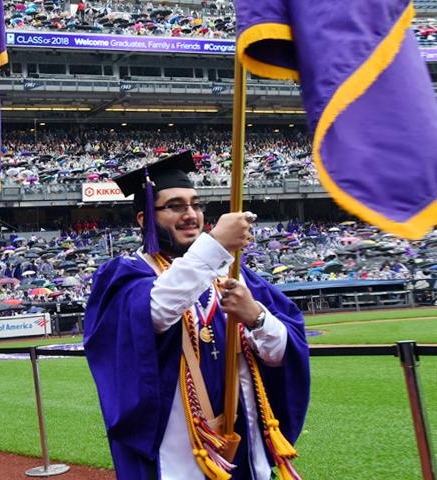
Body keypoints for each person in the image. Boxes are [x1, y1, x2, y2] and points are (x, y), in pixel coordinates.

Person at [83, 152, 310, 480]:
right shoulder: (124, 276)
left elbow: (282, 354)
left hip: (247, 450)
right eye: (175, 206)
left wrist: (256, 316)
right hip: (178, 461)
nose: (191, 215)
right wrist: (215, 243)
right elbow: (155, 312)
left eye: (196, 204)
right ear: (145, 218)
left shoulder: (234, 275)